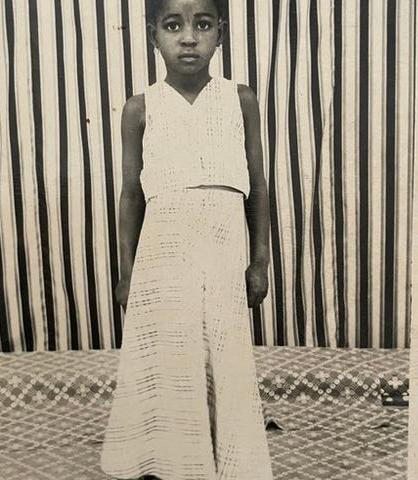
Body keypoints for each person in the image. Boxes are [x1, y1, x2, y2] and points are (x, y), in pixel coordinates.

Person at [100, 0, 273, 478]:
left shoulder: (240, 99)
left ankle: (225, 463)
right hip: (162, 257)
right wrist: (128, 274)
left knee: (222, 352)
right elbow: (131, 194)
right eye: (173, 25)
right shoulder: (140, 108)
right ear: (153, 36)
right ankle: (163, 462)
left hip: (222, 253)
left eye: (203, 24)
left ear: (221, 33)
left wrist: (259, 261)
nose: (189, 37)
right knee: (167, 354)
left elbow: (257, 185)